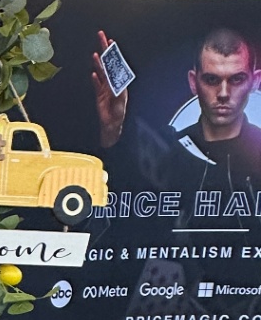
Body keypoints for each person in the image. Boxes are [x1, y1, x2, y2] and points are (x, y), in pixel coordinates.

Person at [92, 26, 261, 197]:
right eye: (211, 79)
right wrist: (111, 130)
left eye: (237, 79)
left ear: (255, 82)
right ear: (193, 82)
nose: (224, 93)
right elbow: (118, 196)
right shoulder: (166, 154)